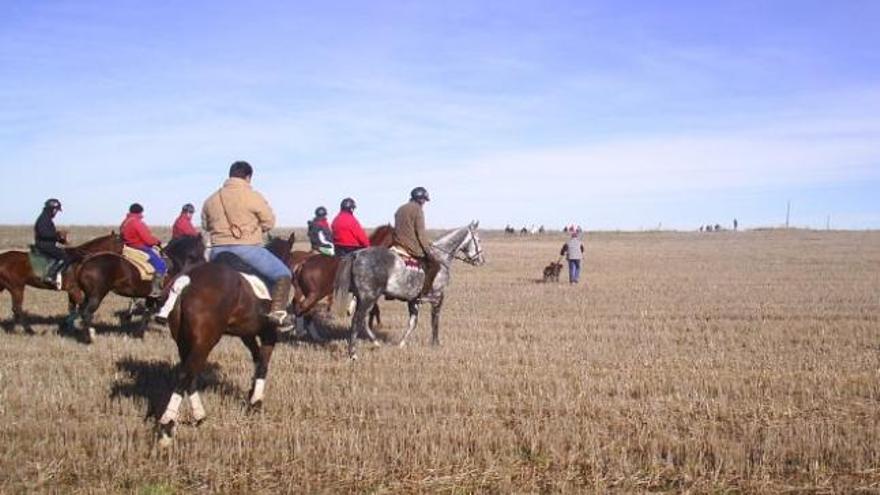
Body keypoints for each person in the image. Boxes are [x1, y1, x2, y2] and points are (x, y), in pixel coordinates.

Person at [201, 160, 292, 329]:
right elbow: (269, 222)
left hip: (216, 251)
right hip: (247, 249)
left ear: (230, 175)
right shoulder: (253, 196)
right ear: (248, 177)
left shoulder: (211, 200)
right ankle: (277, 313)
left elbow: (206, 225)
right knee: (283, 274)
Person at [393, 186, 440, 298]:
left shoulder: (400, 208)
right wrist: (428, 252)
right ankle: (424, 292)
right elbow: (420, 233)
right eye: (424, 199)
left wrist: (429, 242)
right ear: (419, 199)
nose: (424, 202)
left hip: (397, 245)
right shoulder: (418, 210)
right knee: (435, 265)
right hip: (410, 247)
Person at [121, 203, 167, 297]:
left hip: (128, 247)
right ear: (140, 212)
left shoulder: (125, 222)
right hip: (139, 247)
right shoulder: (137, 223)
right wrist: (157, 241)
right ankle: (156, 290)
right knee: (161, 264)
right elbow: (148, 240)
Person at [33, 198, 69, 287]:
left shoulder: (46, 218)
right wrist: (58, 236)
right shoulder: (43, 219)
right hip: (44, 245)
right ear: (52, 209)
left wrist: (60, 239)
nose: (56, 213)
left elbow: (49, 235)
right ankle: (49, 276)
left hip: (47, 244)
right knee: (63, 257)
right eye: (56, 210)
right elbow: (44, 234)